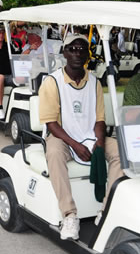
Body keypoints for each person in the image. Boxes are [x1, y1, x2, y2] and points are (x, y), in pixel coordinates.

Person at [38, 34, 124, 240]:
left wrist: (100, 143)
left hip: (90, 135)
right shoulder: (52, 82)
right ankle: (69, 215)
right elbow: (51, 123)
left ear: (87, 54)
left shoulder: (94, 82)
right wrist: (76, 145)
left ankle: (106, 210)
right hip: (63, 137)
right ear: (65, 52)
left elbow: (100, 119)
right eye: (73, 48)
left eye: (82, 49)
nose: (78, 53)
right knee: (54, 154)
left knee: (122, 152)